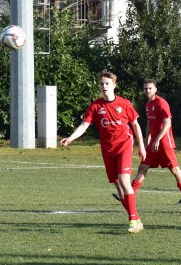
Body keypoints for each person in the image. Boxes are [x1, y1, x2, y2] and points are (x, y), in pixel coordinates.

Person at [60, 71, 147, 234]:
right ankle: (135, 218)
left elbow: (135, 125)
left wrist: (141, 146)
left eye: (107, 83)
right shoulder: (95, 106)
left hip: (124, 146)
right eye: (101, 84)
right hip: (107, 150)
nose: (104, 86)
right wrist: (71, 138)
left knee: (124, 180)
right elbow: (84, 125)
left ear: (114, 85)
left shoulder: (124, 104)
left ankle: (133, 221)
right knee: (119, 187)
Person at [126, 79, 181, 205]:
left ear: (155, 89)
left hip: (165, 143)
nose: (147, 91)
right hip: (154, 144)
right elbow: (150, 124)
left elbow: (167, 123)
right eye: (145, 88)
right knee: (143, 167)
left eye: (150, 88)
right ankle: (129, 195)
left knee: (174, 169)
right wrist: (147, 142)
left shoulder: (162, 103)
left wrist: (157, 140)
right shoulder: (147, 105)